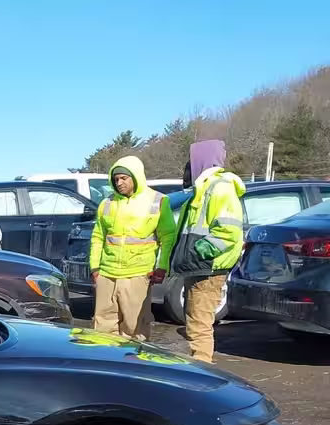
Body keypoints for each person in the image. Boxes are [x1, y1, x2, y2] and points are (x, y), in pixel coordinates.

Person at [169, 139, 246, 363]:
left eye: (191, 161)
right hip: (198, 267)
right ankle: (198, 366)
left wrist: (199, 251)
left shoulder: (220, 187)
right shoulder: (202, 189)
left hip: (208, 268)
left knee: (199, 325)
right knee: (195, 322)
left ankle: (202, 369)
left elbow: (228, 231)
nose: (188, 168)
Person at [88, 155, 177, 341]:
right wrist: (95, 268)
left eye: (123, 178)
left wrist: (162, 267)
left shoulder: (158, 201)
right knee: (103, 328)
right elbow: (97, 237)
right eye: (116, 179)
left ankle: (134, 360)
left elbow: (168, 238)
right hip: (107, 274)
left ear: (136, 177)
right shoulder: (107, 203)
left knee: (135, 328)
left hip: (137, 274)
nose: (119, 183)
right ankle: (107, 359)